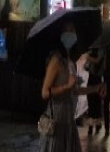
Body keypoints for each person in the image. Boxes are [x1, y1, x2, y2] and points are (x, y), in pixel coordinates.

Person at [41, 21, 104, 152]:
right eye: (67, 30)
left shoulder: (70, 62)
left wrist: (95, 88)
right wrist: (65, 86)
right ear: (60, 35)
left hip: (69, 118)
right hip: (56, 117)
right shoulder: (56, 60)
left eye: (73, 31)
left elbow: (75, 90)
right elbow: (45, 92)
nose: (70, 34)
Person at [84, 47, 105, 135]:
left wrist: (89, 58)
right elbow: (86, 67)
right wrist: (87, 63)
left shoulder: (101, 50)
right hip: (91, 78)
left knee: (97, 103)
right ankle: (91, 126)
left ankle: (97, 124)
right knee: (90, 103)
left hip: (98, 79)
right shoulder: (91, 51)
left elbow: (98, 61)